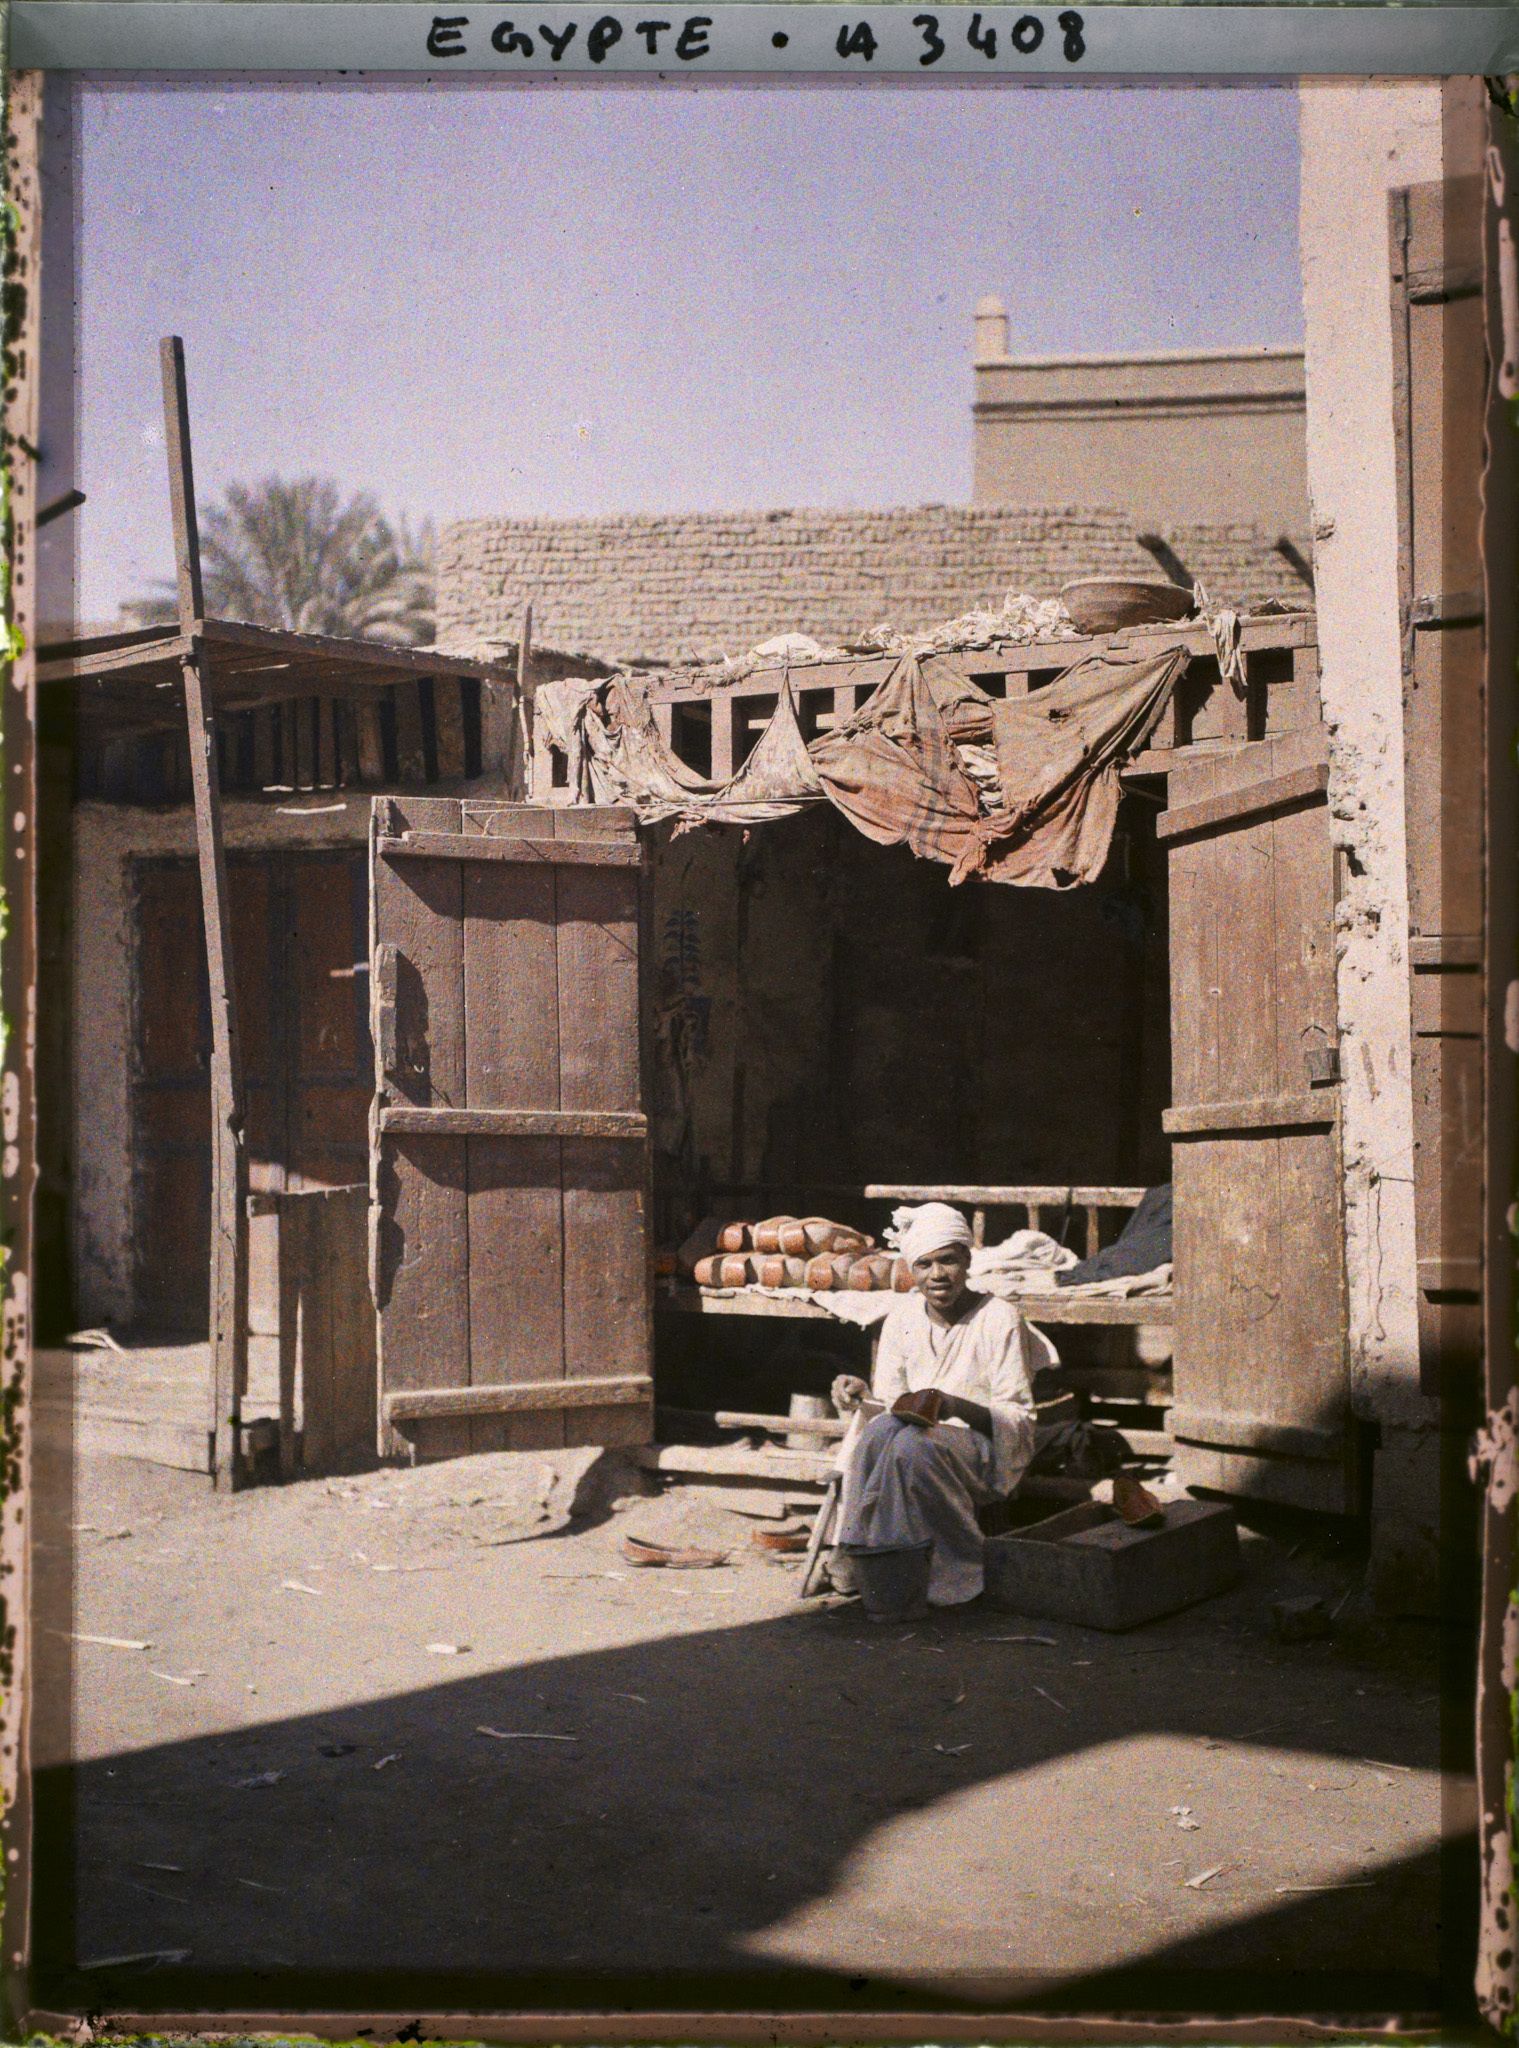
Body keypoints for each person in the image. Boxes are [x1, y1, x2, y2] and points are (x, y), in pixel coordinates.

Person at [829, 1202, 1037, 1618]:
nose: (937, 1275)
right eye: (924, 1265)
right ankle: (872, 1557)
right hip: (914, 1438)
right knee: (879, 1434)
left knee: (913, 1447)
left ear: (968, 1259)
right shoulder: (902, 1315)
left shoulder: (999, 1318)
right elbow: (890, 1403)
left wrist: (955, 1404)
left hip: (978, 1449)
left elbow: (1018, 1416)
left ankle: (957, 1575)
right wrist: (858, 1392)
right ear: (912, 1269)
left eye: (948, 1261)